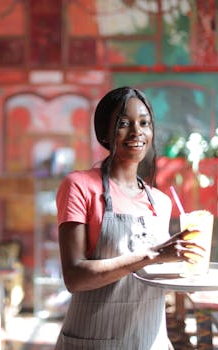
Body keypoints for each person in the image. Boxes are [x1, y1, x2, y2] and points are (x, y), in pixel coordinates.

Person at [55, 86, 203, 349]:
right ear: (104, 133)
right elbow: (74, 277)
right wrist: (153, 255)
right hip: (93, 342)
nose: (137, 132)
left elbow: (154, 276)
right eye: (124, 123)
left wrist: (188, 271)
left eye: (144, 123)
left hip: (150, 341)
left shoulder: (161, 201)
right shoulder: (79, 186)